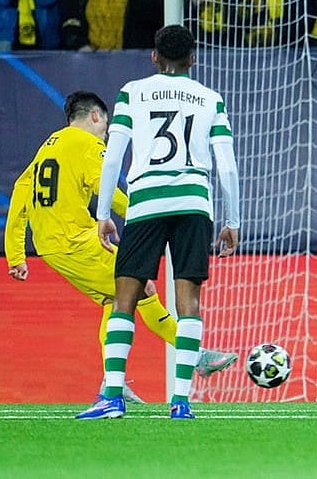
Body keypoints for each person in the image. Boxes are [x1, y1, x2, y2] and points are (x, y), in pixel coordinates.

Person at [4, 91, 239, 404]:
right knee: (140, 288)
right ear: (97, 116)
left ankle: (111, 381)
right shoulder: (88, 144)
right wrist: (144, 214)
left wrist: (16, 254)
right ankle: (197, 358)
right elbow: (107, 188)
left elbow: (20, 194)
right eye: (106, 126)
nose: (105, 133)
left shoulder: (49, 146)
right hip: (76, 242)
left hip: (56, 244)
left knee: (115, 300)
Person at [76, 25, 241, 420]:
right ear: (193, 59)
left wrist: (102, 214)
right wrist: (232, 220)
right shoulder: (210, 99)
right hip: (193, 204)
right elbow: (228, 167)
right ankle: (181, 402)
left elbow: (113, 155)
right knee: (189, 304)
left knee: (125, 300)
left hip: (146, 204)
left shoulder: (132, 93)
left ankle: (112, 397)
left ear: (154, 57)